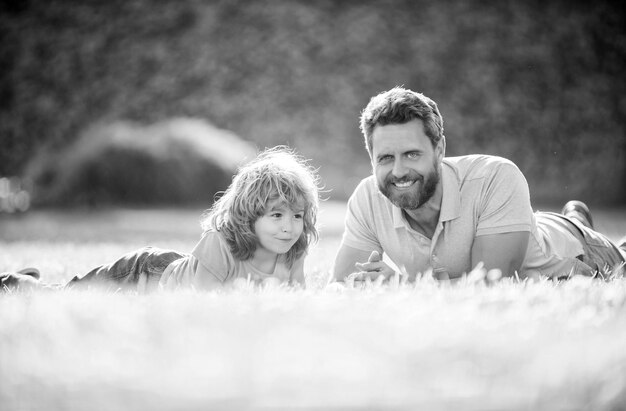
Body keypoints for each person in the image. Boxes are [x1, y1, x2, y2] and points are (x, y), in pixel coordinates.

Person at [333, 87, 626, 282]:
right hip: (513, 223)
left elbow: (491, 282)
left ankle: (576, 221)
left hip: (582, 250)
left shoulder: (496, 177)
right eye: (385, 158)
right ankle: (575, 214)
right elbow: (342, 285)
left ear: (439, 149)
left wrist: (399, 285)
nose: (398, 171)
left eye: (411, 154)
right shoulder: (367, 198)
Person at [1, 146, 320, 292]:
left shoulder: (293, 248)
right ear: (249, 215)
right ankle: (15, 282)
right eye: (276, 215)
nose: (289, 226)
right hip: (142, 272)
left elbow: (297, 297)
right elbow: (202, 304)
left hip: (173, 266)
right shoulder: (221, 243)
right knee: (65, 297)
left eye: (297, 216)